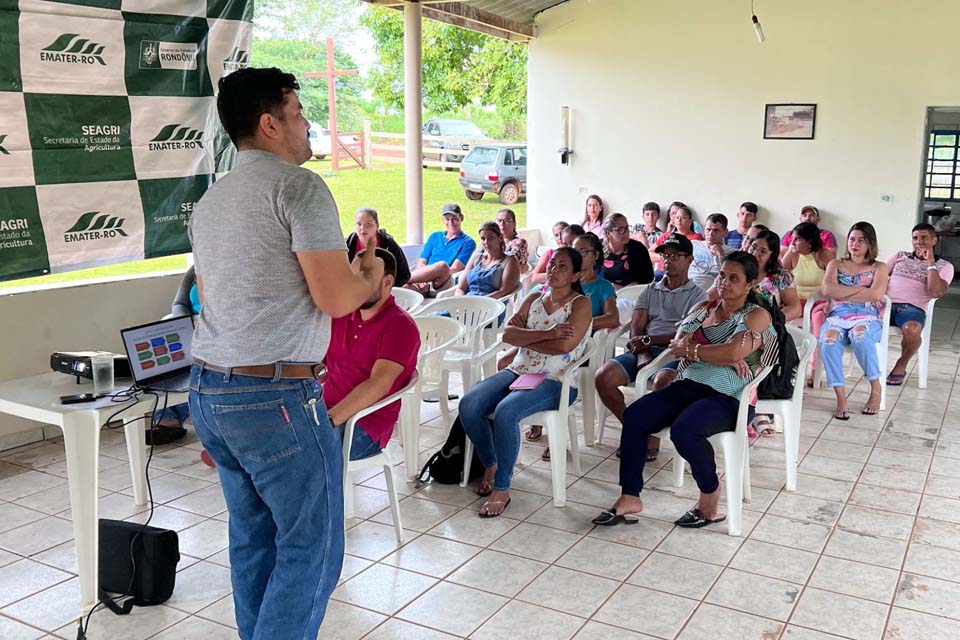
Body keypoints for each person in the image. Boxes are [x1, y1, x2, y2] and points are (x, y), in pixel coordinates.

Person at [188, 67, 384, 638]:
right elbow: (335, 297)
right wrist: (367, 274)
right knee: (311, 549)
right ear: (270, 124)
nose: (306, 125)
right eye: (298, 113)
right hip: (274, 397)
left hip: (210, 390)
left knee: (253, 540)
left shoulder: (211, 201)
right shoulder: (298, 187)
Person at [593, 252, 777, 528]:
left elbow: (729, 351)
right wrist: (720, 353)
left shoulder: (757, 315)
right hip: (690, 383)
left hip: (730, 396)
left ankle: (709, 497)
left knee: (685, 430)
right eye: (722, 275)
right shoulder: (705, 307)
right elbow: (678, 344)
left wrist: (712, 351)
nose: (725, 283)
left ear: (750, 284)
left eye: (734, 278)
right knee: (635, 416)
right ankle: (630, 495)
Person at [459, 247, 592, 517]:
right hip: (521, 370)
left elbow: (564, 345)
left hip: (556, 379)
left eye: (563, 266)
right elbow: (508, 334)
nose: (553, 270)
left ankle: (502, 488)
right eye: (552, 264)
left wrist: (530, 336)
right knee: (470, 404)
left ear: (576, 274)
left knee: (508, 410)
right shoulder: (533, 298)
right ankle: (492, 463)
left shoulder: (580, 304)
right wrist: (547, 333)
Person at [594, 233, 707, 461]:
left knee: (662, 382)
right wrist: (643, 350)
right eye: (666, 255)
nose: (669, 260)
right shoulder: (650, 290)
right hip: (645, 348)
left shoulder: (698, 295)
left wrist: (648, 342)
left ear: (689, 260)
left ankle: (651, 438)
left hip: (675, 352)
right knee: (603, 377)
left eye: (676, 256)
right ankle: (638, 430)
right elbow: (637, 325)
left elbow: (684, 336)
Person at [323, 248, 420, 459]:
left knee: (296, 459)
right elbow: (313, 362)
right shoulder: (341, 315)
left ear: (387, 282)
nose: (354, 285)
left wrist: (327, 420)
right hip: (326, 410)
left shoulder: (400, 326)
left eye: (365, 277)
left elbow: (379, 384)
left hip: (364, 423)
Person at [524, 232, 618, 446]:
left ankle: (557, 438)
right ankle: (533, 414)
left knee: (554, 372)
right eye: (575, 250)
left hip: (580, 348)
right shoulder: (558, 284)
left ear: (595, 256)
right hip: (548, 341)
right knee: (516, 362)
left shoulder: (602, 286)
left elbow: (613, 318)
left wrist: (582, 324)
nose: (578, 255)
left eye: (583, 251)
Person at [819, 222, 889, 420]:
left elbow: (876, 295)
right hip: (837, 316)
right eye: (851, 239)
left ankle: (876, 387)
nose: (854, 244)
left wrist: (843, 292)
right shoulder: (836, 265)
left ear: (870, 244)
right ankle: (841, 397)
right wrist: (862, 291)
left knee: (860, 337)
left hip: (868, 317)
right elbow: (827, 291)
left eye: (861, 240)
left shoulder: (879, 267)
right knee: (829, 341)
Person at [885, 223, 954, 385]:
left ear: (934, 240)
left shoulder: (945, 266)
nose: (919, 242)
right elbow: (878, 276)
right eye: (915, 238)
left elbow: (936, 292)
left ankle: (901, 364)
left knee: (912, 329)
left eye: (924, 237)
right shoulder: (900, 256)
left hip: (911, 309)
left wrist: (930, 263)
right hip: (885, 304)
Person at [782, 221, 836, 384]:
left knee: (819, 319)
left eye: (797, 239)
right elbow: (780, 279)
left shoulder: (824, 256)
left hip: (819, 300)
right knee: (778, 317)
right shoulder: (792, 254)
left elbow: (833, 283)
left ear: (809, 241)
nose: (793, 243)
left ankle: (815, 370)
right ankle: (783, 368)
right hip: (796, 301)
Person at [406, 203, 477, 297]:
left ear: (462, 218)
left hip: (443, 281)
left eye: (454, 219)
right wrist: (422, 280)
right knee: (404, 288)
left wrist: (428, 277)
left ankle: (403, 278)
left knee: (443, 265)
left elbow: (454, 268)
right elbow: (422, 261)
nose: (450, 223)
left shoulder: (468, 242)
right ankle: (403, 281)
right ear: (443, 220)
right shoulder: (434, 236)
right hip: (422, 280)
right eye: (447, 219)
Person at [346, 207, 411, 287]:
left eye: (368, 224)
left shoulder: (389, 244)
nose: (362, 228)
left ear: (377, 226)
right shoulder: (347, 245)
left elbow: (404, 274)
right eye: (359, 224)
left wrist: (385, 288)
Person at [454, 221, 521, 299]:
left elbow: (504, 291)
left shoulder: (509, 261)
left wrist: (479, 302)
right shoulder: (477, 258)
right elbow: (460, 288)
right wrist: (460, 300)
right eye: (483, 238)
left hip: (491, 305)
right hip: (467, 302)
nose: (486, 242)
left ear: (500, 238)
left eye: (491, 237)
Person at [602, 213, 654, 288]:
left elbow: (648, 277)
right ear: (608, 233)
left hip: (632, 293)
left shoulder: (638, 248)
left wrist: (627, 289)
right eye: (620, 229)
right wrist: (611, 287)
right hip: (605, 293)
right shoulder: (598, 249)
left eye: (627, 228)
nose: (626, 233)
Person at [688, 213, 733, 291]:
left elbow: (729, 277)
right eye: (708, 229)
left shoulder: (732, 253)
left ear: (725, 232)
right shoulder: (693, 244)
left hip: (708, 293)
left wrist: (720, 254)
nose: (711, 234)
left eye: (716, 230)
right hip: (686, 287)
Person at [529, 221, 571, 287]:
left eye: (562, 234)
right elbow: (534, 277)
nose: (559, 238)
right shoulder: (549, 254)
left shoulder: (575, 256)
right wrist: (558, 275)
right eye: (556, 235)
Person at [496, 208, 529, 272]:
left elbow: (506, 263)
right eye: (499, 220)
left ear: (514, 224)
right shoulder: (491, 241)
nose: (502, 224)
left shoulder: (519, 243)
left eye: (507, 221)